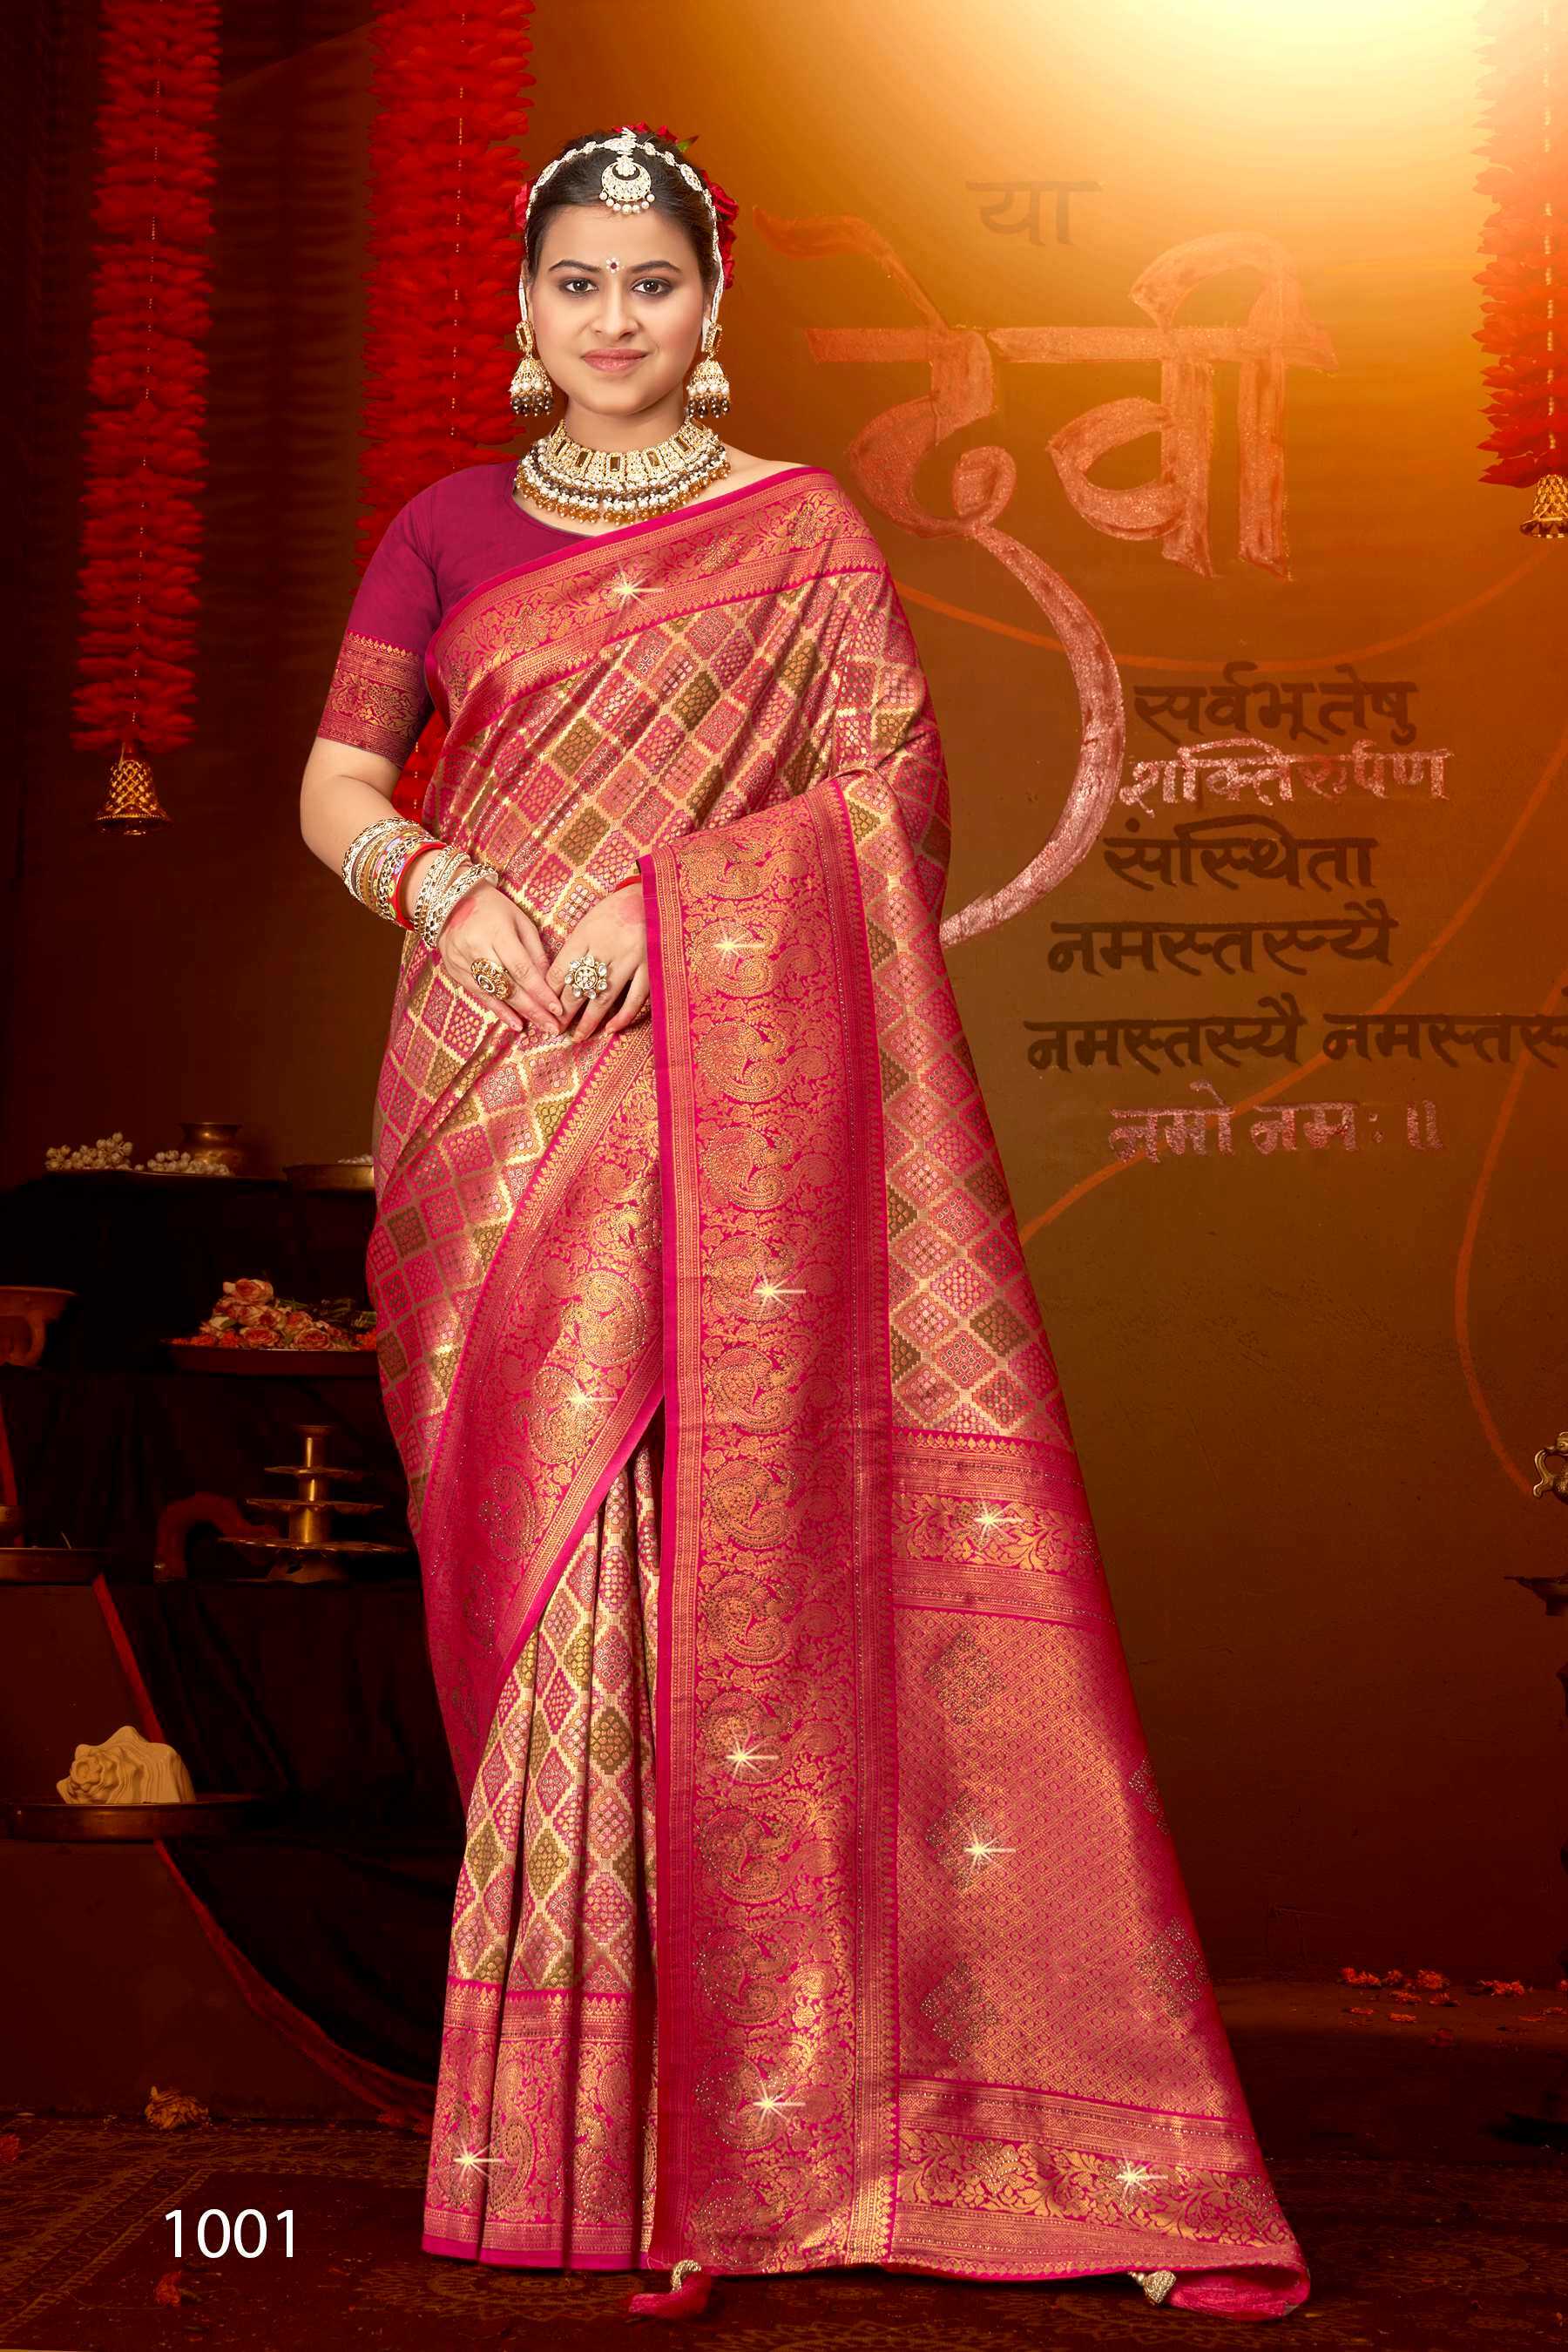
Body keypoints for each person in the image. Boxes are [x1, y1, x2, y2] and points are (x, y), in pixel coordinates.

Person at [299, 120, 1309, 2322]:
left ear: (711, 309)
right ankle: (567, 2146)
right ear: (526, 306)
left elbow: (892, 802)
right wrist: (446, 890)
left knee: (720, 1558)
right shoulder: (446, 527)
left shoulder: (803, 528)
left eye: (651, 282)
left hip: (705, 1076)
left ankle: (773, 2135)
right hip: (494, 1078)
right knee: (552, 1577)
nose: (613, 318)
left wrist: (672, 914)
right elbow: (341, 779)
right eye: (578, 280)